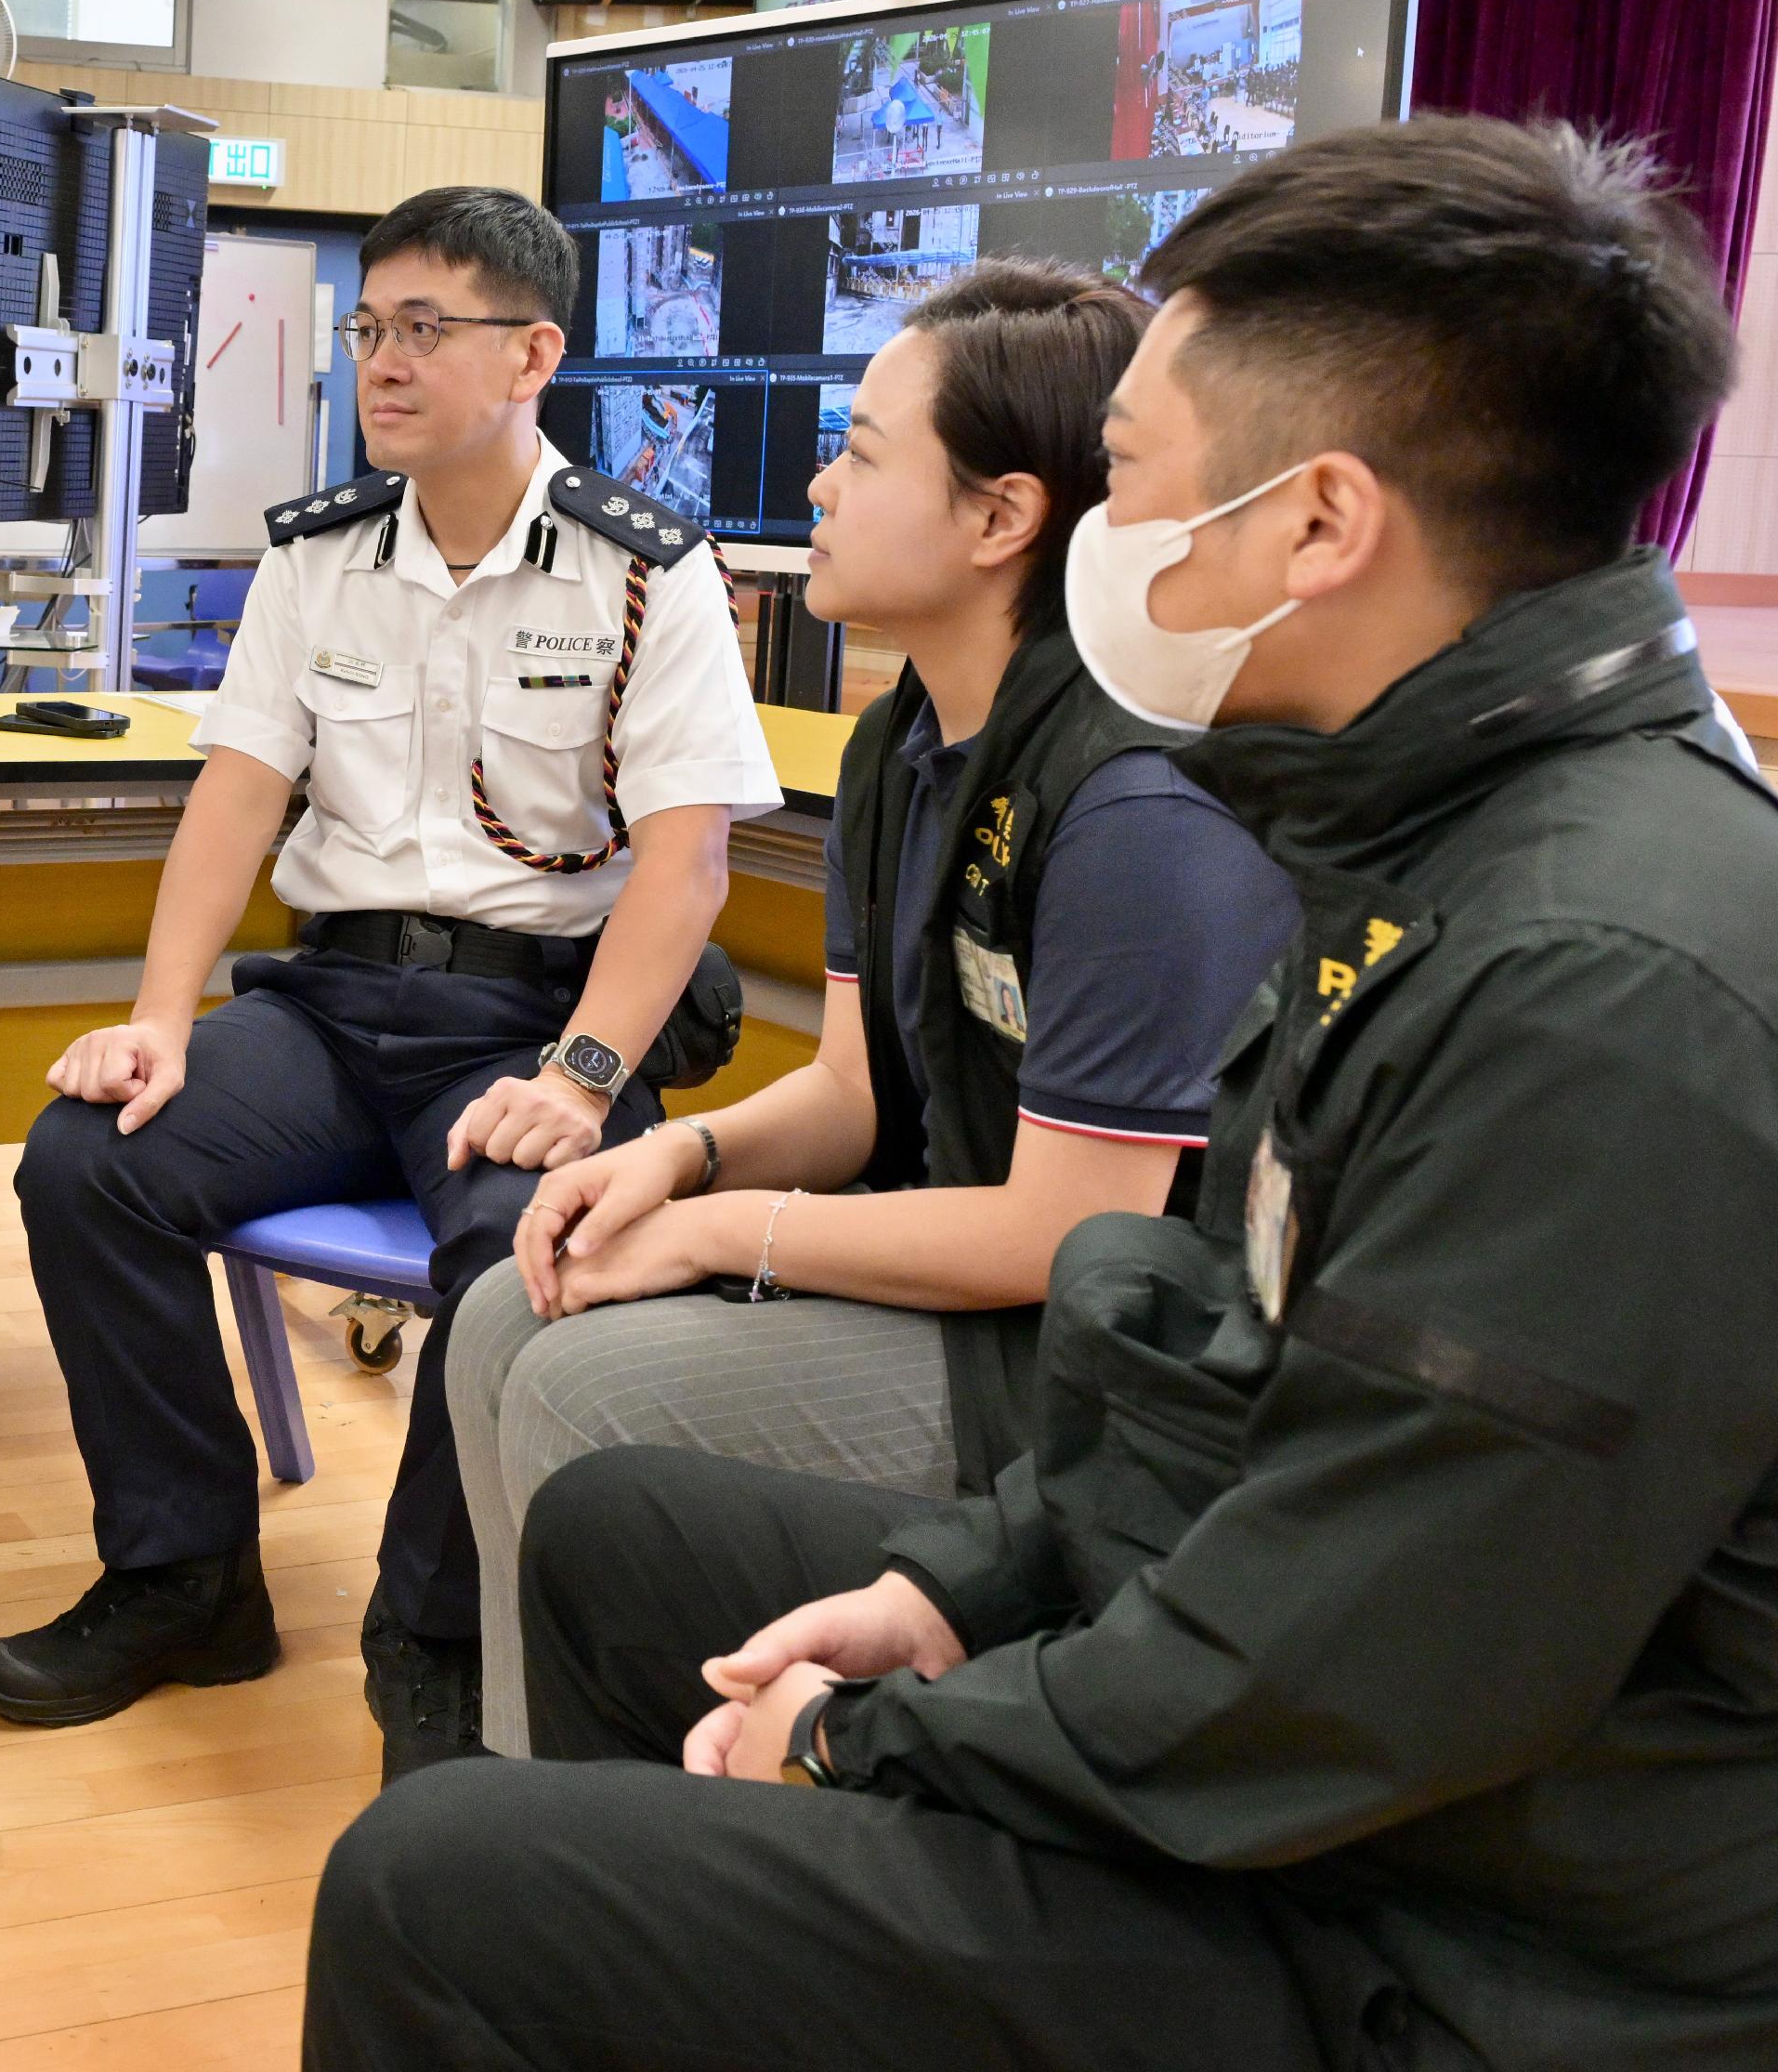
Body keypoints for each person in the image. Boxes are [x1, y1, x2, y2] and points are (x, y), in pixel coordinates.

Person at [306, 117, 1778, 2072]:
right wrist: (954, 1585)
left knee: (436, 1884)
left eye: (1138, 480)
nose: (1108, 535)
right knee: (614, 1542)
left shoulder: (1594, 985)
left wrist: (866, 1736)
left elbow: (1341, 1670)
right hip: (1309, 1737)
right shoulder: (1409, 845)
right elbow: (1234, 1395)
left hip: (1454, 1929)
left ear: (1319, 524)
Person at [0, 187, 781, 1778]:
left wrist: (583, 1082)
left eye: (424, 328)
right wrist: (157, 1019)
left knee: (525, 1248)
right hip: (332, 1011)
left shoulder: (645, 575)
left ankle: (437, 1636)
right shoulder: (323, 555)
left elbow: (685, 868)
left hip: (536, 1025)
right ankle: (184, 1577)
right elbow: (236, 798)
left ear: (533, 355)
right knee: (87, 1162)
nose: (381, 362)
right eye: (367, 328)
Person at [444, 262, 1295, 1755]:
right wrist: (677, 1157)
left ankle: (659, 1814)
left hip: (1083, 1361)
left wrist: (719, 1232)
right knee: (505, 1313)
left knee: (583, 1392)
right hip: (951, 1269)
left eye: (861, 452)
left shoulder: (1135, 805)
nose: (818, 485)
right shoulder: (896, 744)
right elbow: (854, 1092)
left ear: (999, 517)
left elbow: (1065, 1232)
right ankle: (538, 1788)